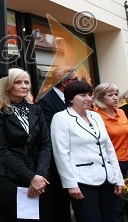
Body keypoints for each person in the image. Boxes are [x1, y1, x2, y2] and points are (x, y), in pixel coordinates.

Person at [51, 80, 124, 222]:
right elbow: (61, 154)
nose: (89, 99)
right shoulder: (61, 118)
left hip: (107, 179)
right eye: (83, 95)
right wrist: (70, 183)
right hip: (82, 181)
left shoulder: (95, 116)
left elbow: (108, 148)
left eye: (90, 95)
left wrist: (117, 177)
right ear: (71, 98)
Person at [0, 68, 52, 222]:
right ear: (8, 85)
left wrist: (40, 176)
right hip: (12, 177)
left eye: (26, 82)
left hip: (39, 175)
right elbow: (1, 151)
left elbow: (45, 144)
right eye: (18, 82)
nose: (24, 86)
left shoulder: (35, 109)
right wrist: (30, 177)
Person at [37, 65, 78, 222]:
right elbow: (51, 133)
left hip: (77, 158)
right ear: (65, 82)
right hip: (58, 161)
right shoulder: (46, 101)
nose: (79, 82)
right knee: (61, 204)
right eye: (75, 79)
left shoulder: (72, 99)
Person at [94, 83, 128, 222]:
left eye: (116, 94)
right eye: (110, 95)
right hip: (113, 164)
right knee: (116, 205)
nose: (115, 97)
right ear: (101, 99)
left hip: (127, 160)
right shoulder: (96, 116)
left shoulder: (120, 112)